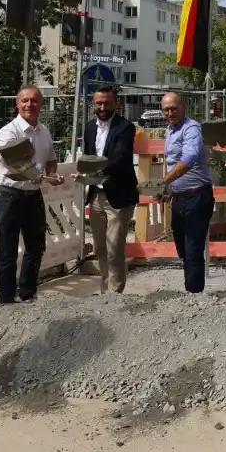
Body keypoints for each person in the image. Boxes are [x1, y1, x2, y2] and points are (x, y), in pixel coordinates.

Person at [0, 86, 62, 304]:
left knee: (36, 247)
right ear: (17, 104)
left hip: (33, 195)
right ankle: (6, 300)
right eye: (25, 101)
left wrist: (52, 175)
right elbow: (15, 163)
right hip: (8, 195)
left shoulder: (44, 131)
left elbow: (50, 159)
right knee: (8, 251)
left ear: (41, 105)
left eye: (34, 101)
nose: (29, 105)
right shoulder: (8, 131)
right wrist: (39, 175)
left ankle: (28, 294)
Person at [80, 84, 139, 294]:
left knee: (114, 248)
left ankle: (115, 295)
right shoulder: (88, 127)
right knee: (101, 248)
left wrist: (91, 167)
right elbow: (87, 156)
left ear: (116, 104)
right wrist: (83, 173)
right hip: (95, 194)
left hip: (119, 196)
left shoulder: (125, 127)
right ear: (93, 104)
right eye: (98, 103)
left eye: (107, 103)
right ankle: (105, 291)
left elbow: (120, 160)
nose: (103, 107)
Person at [159, 92, 214, 294]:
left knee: (193, 250)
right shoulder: (170, 130)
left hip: (197, 196)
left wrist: (163, 181)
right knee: (182, 248)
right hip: (179, 197)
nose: (170, 112)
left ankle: (194, 296)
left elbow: (188, 159)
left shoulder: (192, 128)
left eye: (174, 108)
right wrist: (168, 189)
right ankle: (190, 290)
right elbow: (172, 163)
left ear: (183, 107)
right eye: (166, 109)